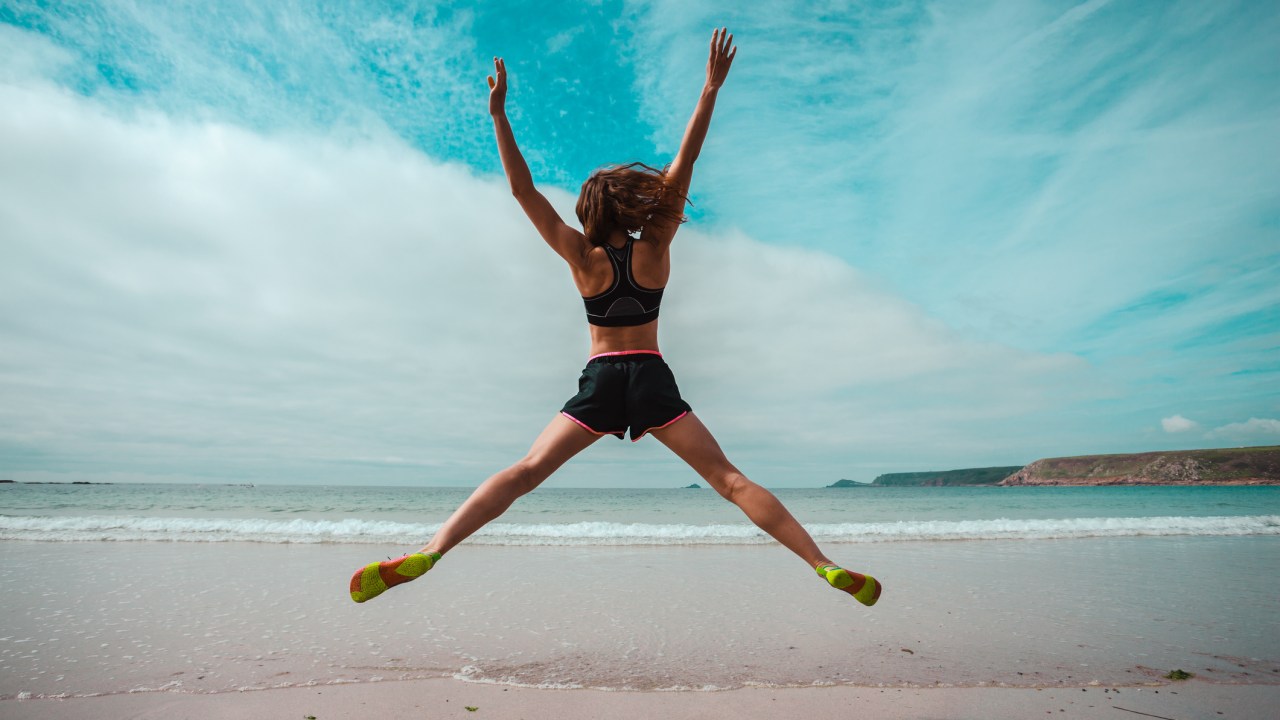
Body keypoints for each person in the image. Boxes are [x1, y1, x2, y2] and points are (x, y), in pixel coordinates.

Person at [349, 28, 880, 608]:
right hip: (651, 376)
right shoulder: (654, 247)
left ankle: (434, 548)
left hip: (603, 377)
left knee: (526, 472)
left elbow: (522, 190)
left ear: (586, 211)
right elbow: (686, 160)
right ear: (627, 205)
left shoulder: (580, 257)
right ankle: (823, 564)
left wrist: (499, 115)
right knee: (729, 480)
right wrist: (709, 88)